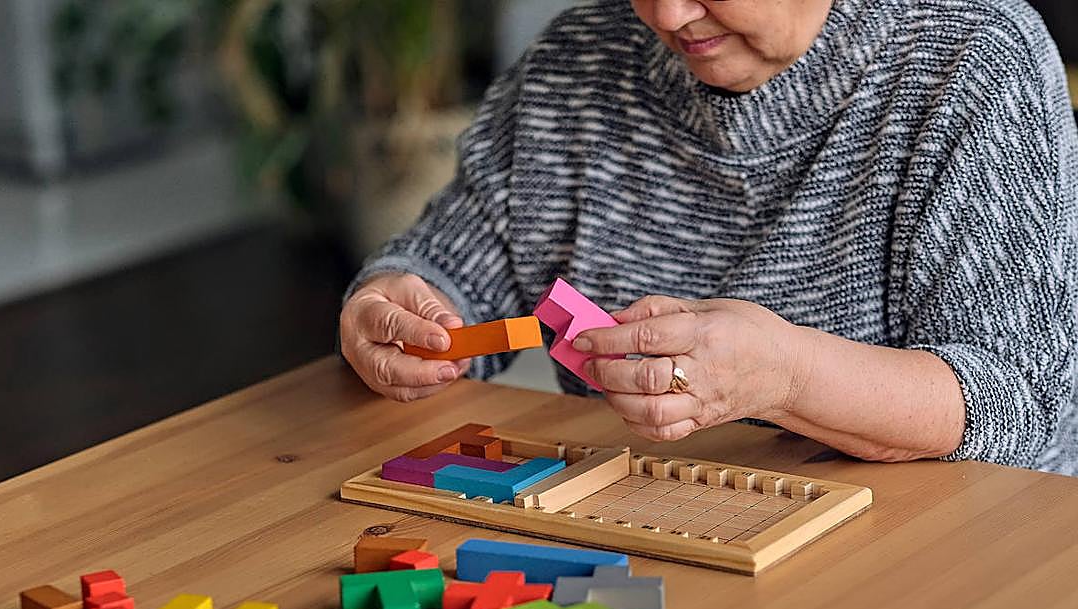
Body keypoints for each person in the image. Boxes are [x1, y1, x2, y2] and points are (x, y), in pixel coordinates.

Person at [338, 0, 1078, 474]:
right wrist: (397, 301)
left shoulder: (974, 55)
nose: (668, 13)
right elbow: (451, 268)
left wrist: (787, 375)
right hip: (653, 529)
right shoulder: (577, 58)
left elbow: (1013, 402)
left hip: (940, 565)